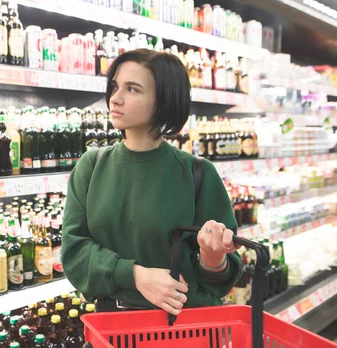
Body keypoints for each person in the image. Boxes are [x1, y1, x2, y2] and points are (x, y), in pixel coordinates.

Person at [62, 49, 242, 314]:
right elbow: (74, 253)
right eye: (115, 87)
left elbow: (220, 281)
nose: (115, 98)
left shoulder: (198, 173)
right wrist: (136, 275)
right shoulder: (92, 165)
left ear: (164, 100)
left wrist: (213, 259)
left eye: (132, 89)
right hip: (112, 324)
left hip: (183, 329)